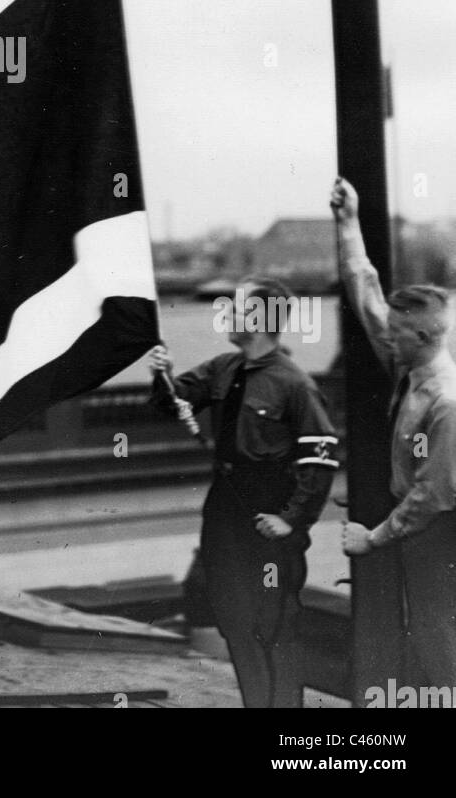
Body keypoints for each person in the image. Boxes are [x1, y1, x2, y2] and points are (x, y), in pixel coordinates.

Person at [150, 277, 338, 708]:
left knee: (273, 625)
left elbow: (321, 458)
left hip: (267, 509)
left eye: (236, 308)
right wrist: (161, 371)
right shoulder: (223, 368)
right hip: (225, 510)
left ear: (262, 318)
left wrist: (291, 518)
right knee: (234, 620)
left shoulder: (294, 385)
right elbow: (171, 403)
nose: (227, 315)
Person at [331, 176, 456, 687]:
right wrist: (348, 223)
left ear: (423, 337)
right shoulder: (411, 365)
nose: (387, 337)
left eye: (398, 333)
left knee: (437, 634)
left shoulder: (445, 402)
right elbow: (366, 292)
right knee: (427, 632)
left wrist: (373, 539)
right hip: (423, 532)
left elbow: (433, 493)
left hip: (439, 533)